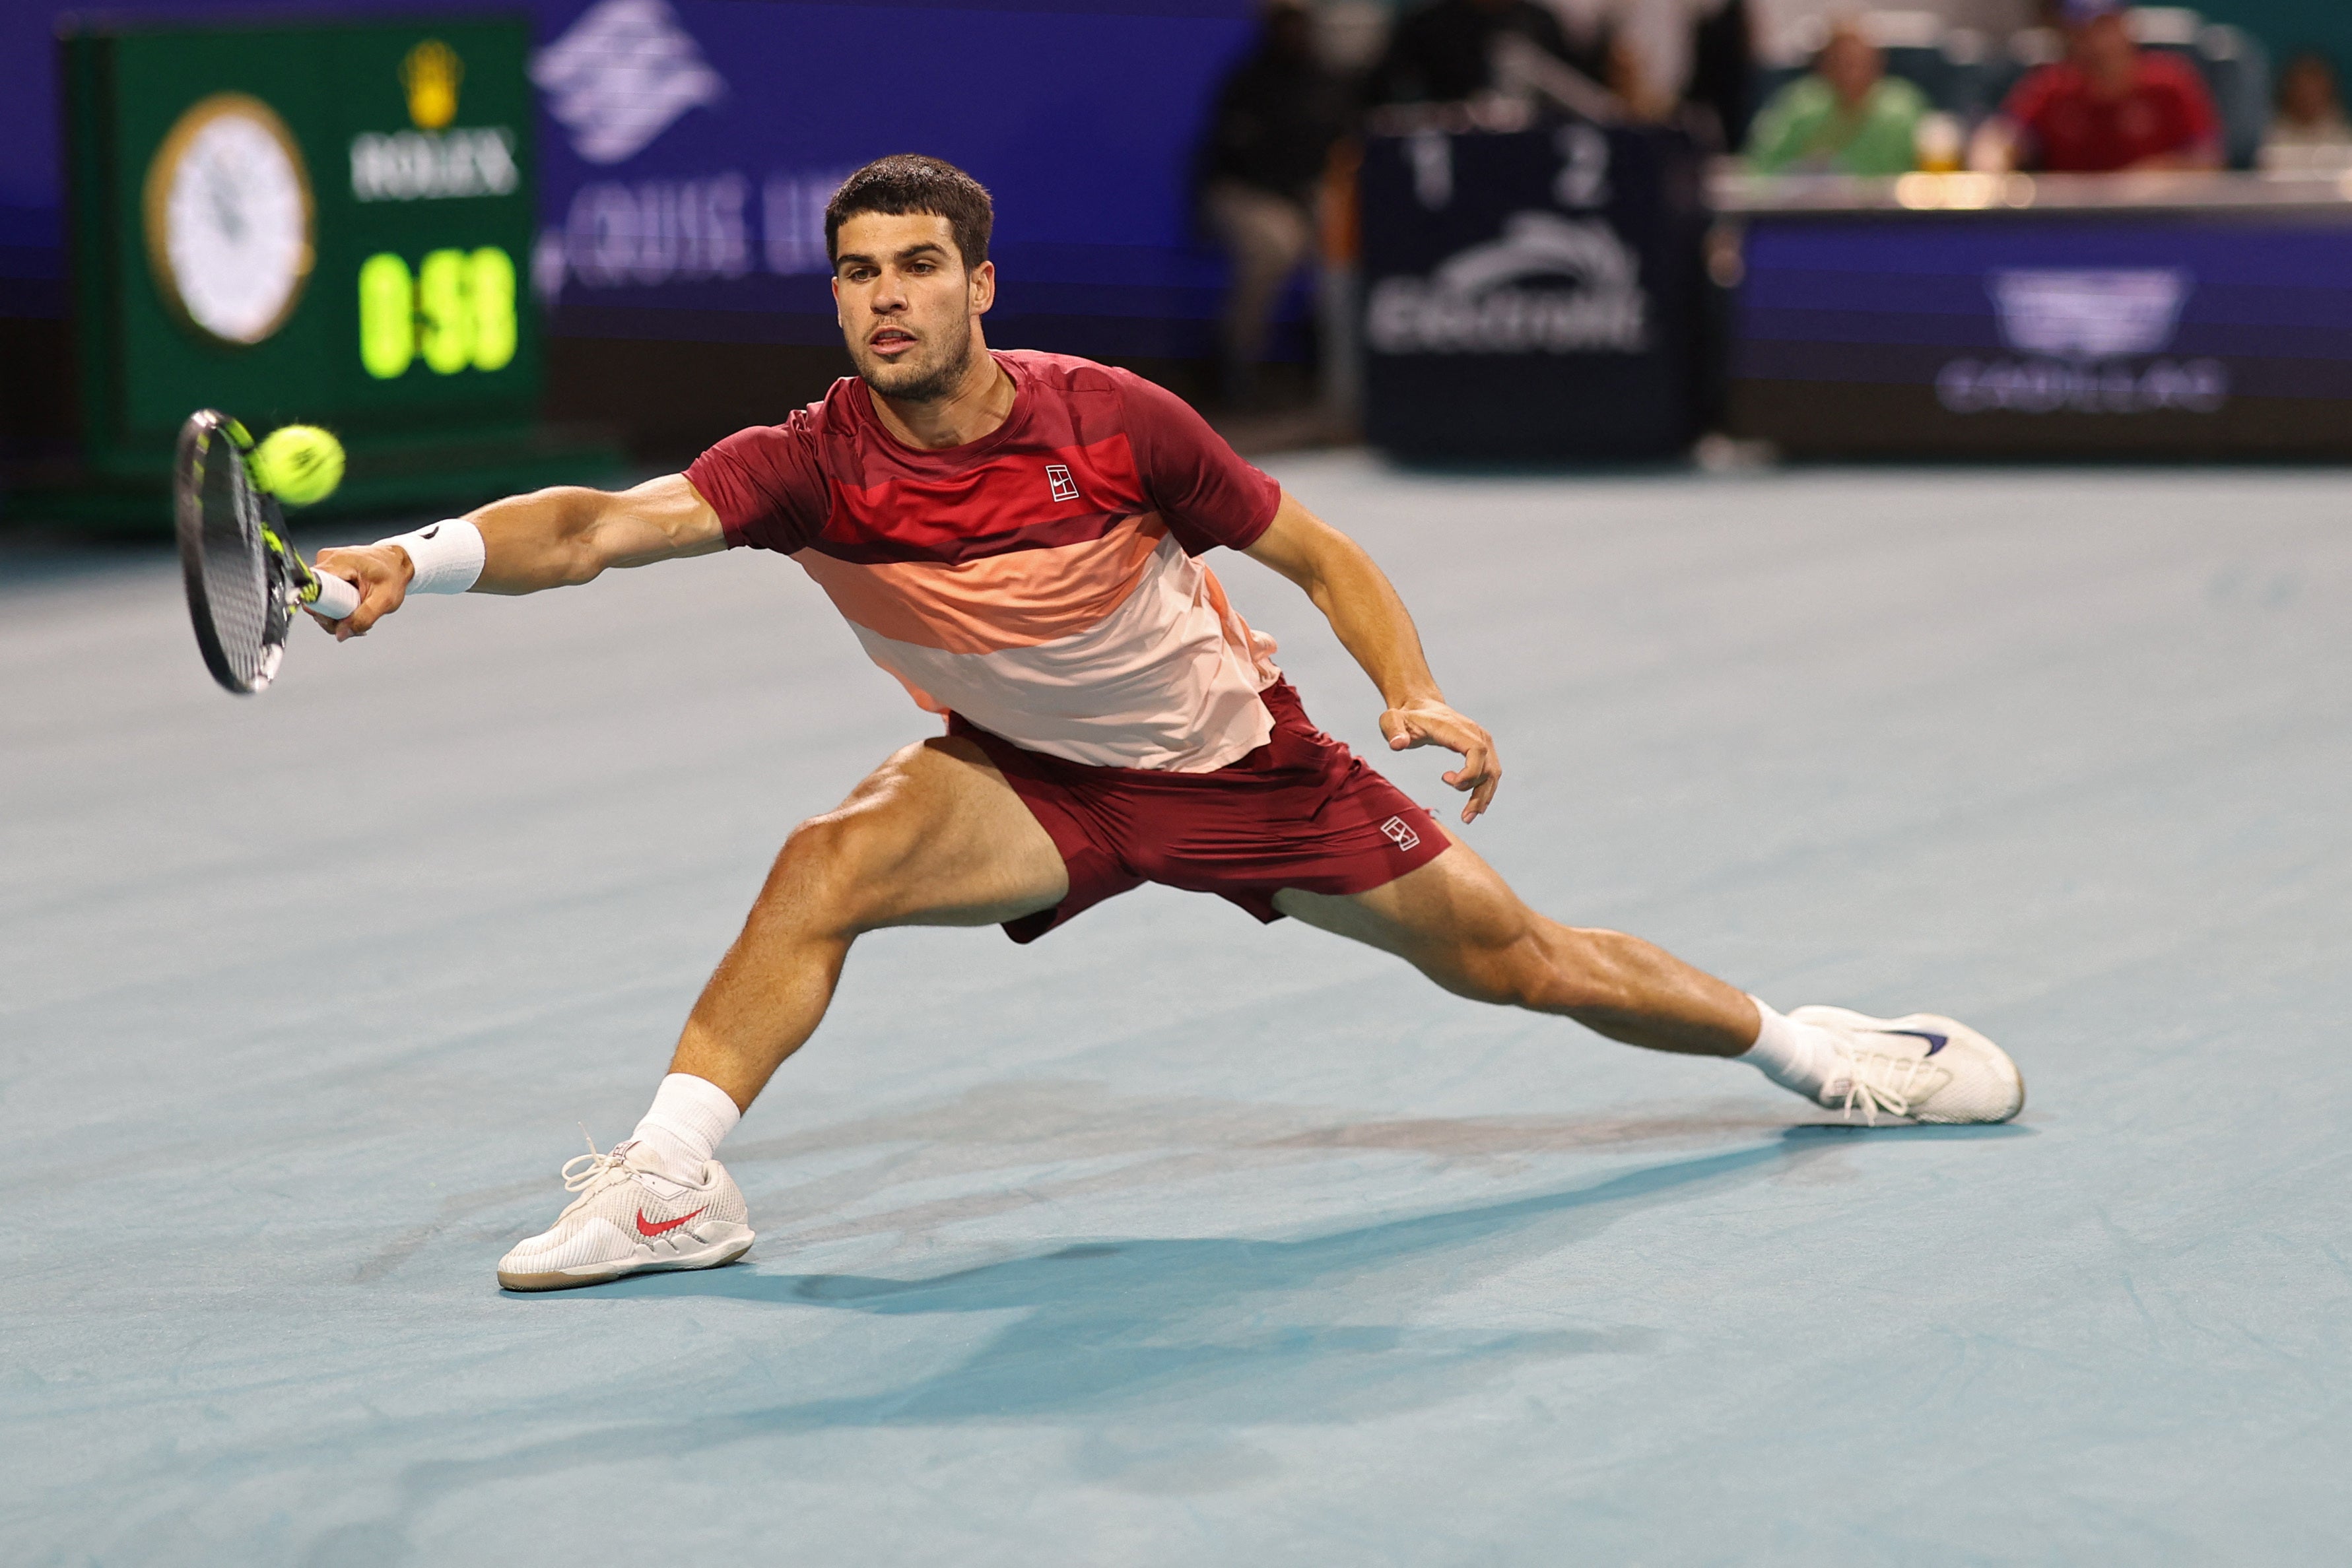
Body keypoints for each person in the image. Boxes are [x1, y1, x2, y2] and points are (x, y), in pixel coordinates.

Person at [311, 154, 2025, 1294]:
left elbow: (1318, 547)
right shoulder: (811, 460)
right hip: (1028, 785)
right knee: (825, 862)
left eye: (918, 268)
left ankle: (1814, 1052)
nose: (885, 299)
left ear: (982, 282)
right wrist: (412, 557)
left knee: (1525, 964)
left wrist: (1406, 689)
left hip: (1245, 772)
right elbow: (600, 527)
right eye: (856, 275)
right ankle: (678, 1181)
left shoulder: (1112, 424)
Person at [1195, 1, 1350, 407]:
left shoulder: (1327, 82)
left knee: (1341, 245)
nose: (1293, 32)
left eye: (1301, 21)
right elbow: (1236, 156)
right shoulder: (1249, 80)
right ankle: (1235, 365)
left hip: (1310, 196)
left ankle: (1336, 377)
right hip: (1246, 193)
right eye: (1285, 22)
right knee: (1276, 247)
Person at [1976, 0, 2221, 173]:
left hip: (2156, 226)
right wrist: (1994, 165)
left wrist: (2145, 179)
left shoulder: (2170, 81)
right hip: (2070, 230)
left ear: (2126, 27)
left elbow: (2207, 161)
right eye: (2082, 32)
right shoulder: (2052, 88)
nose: (2097, 43)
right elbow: (1998, 140)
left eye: (2105, 27)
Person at [1743, 22, 1928, 175]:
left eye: (1860, 62)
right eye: (1841, 62)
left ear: (1878, 64)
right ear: (1823, 67)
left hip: (1890, 217)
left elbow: (1923, 173)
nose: (1852, 73)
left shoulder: (1903, 107)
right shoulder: (1799, 107)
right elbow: (1758, 169)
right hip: (1807, 215)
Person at [1365, 0, 1611, 108]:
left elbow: (1577, 92)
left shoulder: (1540, 22)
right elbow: (1380, 90)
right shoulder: (1428, 24)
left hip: (1530, 153)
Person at [2268, 51, 2352, 150]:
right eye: (2301, 89)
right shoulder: (2267, 138)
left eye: (2316, 91)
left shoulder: (2345, 138)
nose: (2309, 98)